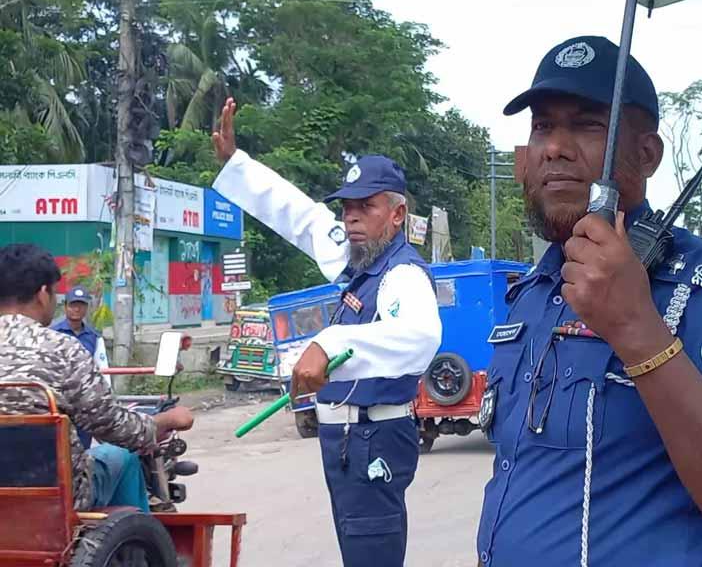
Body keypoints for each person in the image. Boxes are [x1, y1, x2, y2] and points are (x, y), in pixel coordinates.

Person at [476, 36, 702, 567]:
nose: (555, 147)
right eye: (542, 126)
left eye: (586, 125)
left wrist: (636, 329)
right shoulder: (532, 294)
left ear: (647, 155)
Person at [210, 98, 442, 567]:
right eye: (348, 207)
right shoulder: (359, 259)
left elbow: (420, 335)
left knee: (371, 555)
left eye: (366, 207)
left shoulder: (402, 274)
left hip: (374, 435)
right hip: (345, 438)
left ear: (396, 215)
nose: (350, 217)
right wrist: (237, 164)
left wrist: (329, 343)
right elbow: (301, 216)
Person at [0, 243, 195, 511]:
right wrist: (163, 421)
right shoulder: (62, 350)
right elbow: (112, 425)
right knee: (120, 456)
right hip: (56, 499)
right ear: (43, 294)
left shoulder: (81, 340)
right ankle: (140, 544)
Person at [51, 284, 107, 447]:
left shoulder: (94, 337)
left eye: (81, 305)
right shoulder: (53, 334)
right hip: (61, 400)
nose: (76, 309)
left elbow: (103, 370)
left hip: (85, 401)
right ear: (66, 307)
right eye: (73, 305)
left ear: (86, 308)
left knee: (83, 447)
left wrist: (103, 398)